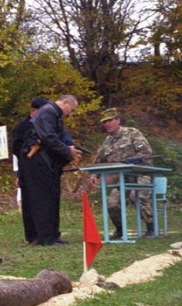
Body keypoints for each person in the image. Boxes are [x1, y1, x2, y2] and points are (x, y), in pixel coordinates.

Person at [18, 95, 83, 246]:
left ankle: (51, 235)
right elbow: (48, 137)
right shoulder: (48, 111)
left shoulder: (52, 113)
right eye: (71, 110)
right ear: (65, 102)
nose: (70, 114)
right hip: (38, 161)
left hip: (43, 162)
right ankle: (46, 237)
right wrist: (67, 151)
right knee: (44, 199)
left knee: (49, 197)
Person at [88, 108, 156, 238]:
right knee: (113, 203)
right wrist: (93, 175)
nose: (107, 124)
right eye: (105, 122)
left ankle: (150, 227)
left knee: (138, 196)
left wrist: (131, 160)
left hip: (142, 173)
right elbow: (98, 161)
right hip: (124, 177)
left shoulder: (132, 133)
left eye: (110, 120)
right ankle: (120, 229)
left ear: (118, 120)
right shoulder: (107, 142)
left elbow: (147, 153)